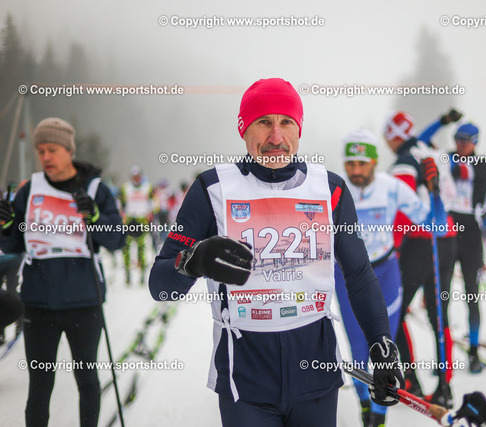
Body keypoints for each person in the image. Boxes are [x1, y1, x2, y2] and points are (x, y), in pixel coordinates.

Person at [149, 78, 404, 427]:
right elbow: (160, 286)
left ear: (299, 130)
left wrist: (381, 344)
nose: (275, 136)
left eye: (286, 122)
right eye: (263, 122)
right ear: (243, 129)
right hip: (245, 381)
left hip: (316, 376)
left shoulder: (330, 190)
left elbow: (359, 275)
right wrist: (192, 261)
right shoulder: (212, 189)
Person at [0, 117, 125, 427]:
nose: (46, 157)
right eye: (40, 151)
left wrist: (95, 217)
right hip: (39, 303)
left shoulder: (94, 188)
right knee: (40, 385)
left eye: (52, 150)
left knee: (87, 379)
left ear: (69, 150)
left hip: (84, 302)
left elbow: (116, 240)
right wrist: (5, 224)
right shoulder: (30, 189)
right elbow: (14, 243)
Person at [335, 128, 444, 426]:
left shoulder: (392, 187)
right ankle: (365, 409)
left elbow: (436, 224)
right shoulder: (335, 190)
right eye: (350, 164)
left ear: (375, 161)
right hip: (346, 275)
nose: (356, 171)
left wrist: (435, 190)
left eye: (362, 164)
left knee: (385, 351)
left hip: (385, 273)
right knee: (359, 351)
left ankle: (380, 416)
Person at [384, 109, 460, 404]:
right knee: (439, 314)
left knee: (395, 311)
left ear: (393, 137)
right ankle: (445, 388)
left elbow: (402, 209)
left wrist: (392, 246)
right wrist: (441, 122)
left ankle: (410, 379)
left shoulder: (404, 161)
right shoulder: (426, 148)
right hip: (447, 239)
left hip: (420, 243)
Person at [447, 122, 486, 372]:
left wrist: (484, 223)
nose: (460, 144)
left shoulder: (484, 164)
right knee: (441, 295)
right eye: (457, 139)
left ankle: (474, 351)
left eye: (465, 140)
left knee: (471, 295)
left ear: (475, 142)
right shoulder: (446, 159)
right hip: (448, 230)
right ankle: (443, 355)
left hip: (470, 232)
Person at [120, 165, 153, 286]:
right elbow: (121, 203)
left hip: (142, 220)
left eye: (138, 176)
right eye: (134, 176)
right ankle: (127, 273)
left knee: (142, 247)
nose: (136, 178)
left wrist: (151, 214)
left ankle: (142, 274)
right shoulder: (126, 187)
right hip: (129, 219)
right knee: (126, 247)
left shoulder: (147, 187)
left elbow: (153, 202)